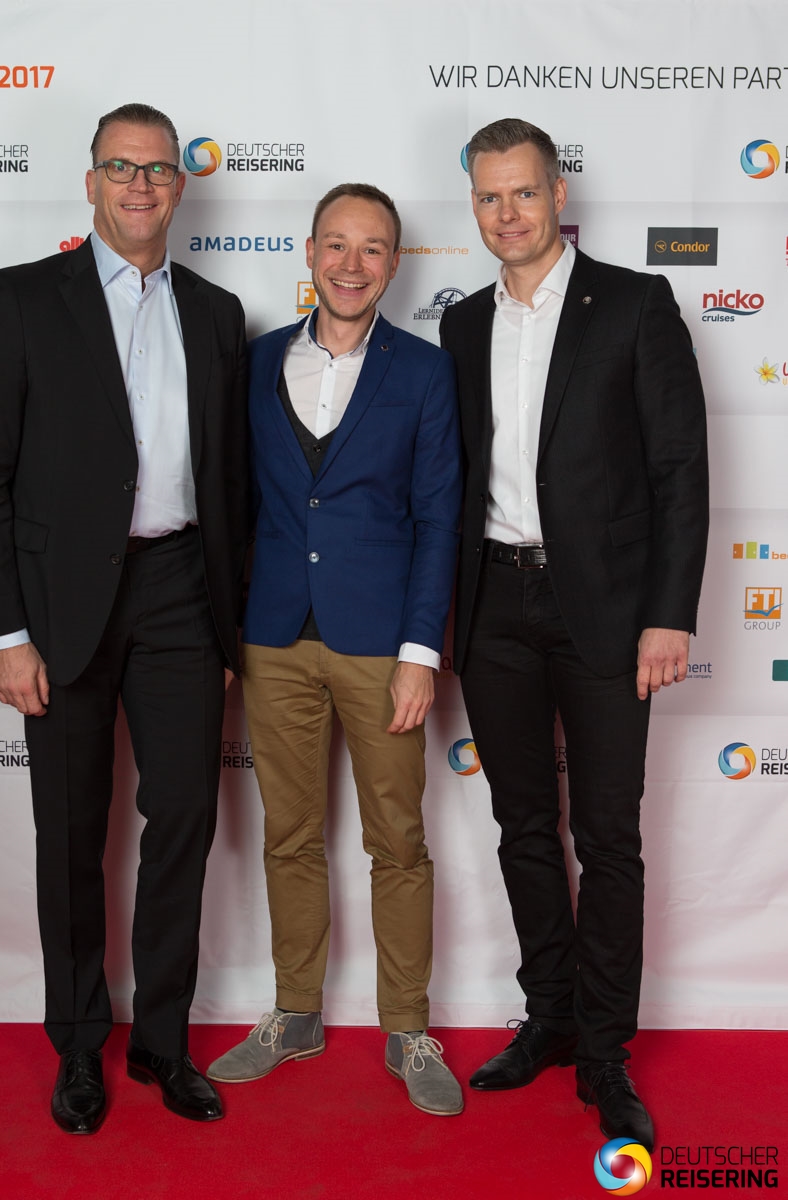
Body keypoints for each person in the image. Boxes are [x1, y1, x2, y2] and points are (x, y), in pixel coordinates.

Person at [0, 102, 248, 1133]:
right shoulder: (22, 298)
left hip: (181, 594)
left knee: (185, 822)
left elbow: (231, 482)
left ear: (180, 186)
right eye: (121, 167)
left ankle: (162, 1040)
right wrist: (4, 633)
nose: (139, 185)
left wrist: (226, 626)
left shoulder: (216, 313)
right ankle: (79, 1044)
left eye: (156, 169)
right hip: (58, 605)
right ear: (91, 183)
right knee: (72, 832)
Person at [440, 118, 708, 1149]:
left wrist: (668, 614)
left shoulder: (635, 304)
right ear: (474, 205)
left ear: (558, 195)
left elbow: (680, 471)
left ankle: (604, 1051)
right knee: (521, 827)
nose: (506, 213)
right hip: (495, 607)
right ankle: (549, 1016)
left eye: (523, 192)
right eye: (488, 196)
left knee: (607, 838)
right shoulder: (463, 324)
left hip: (606, 608)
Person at [206, 184, 464, 1116]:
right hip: (274, 638)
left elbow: (439, 519)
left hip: (381, 645)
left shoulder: (426, 372)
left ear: (394, 264)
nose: (352, 266)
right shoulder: (255, 361)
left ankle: (408, 1025)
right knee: (288, 835)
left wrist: (420, 650)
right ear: (310, 251)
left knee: (398, 841)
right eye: (337, 245)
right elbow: (230, 502)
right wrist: (224, 632)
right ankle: (296, 1012)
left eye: (373, 249)